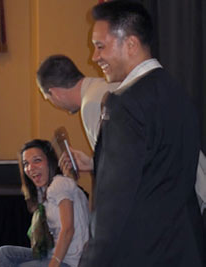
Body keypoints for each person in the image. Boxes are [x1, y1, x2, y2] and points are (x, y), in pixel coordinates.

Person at [78, 1, 206, 267]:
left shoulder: (124, 104)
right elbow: (162, 171)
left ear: (131, 44)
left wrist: (92, 261)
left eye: (100, 46)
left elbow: (113, 207)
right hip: (184, 249)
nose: (94, 57)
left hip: (139, 254)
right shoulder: (179, 95)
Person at [37, 55, 206, 214]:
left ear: (55, 92)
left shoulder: (92, 103)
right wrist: (93, 163)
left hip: (172, 194)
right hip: (186, 176)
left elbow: (121, 177)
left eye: (48, 98)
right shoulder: (103, 86)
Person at [0, 139, 89, 267]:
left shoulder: (60, 184)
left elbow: (68, 229)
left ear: (50, 162)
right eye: (26, 163)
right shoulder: (44, 190)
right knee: (4, 253)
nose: (30, 168)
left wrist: (53, 264)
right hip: (51, 255)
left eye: (37, 160)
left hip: (69, 262)